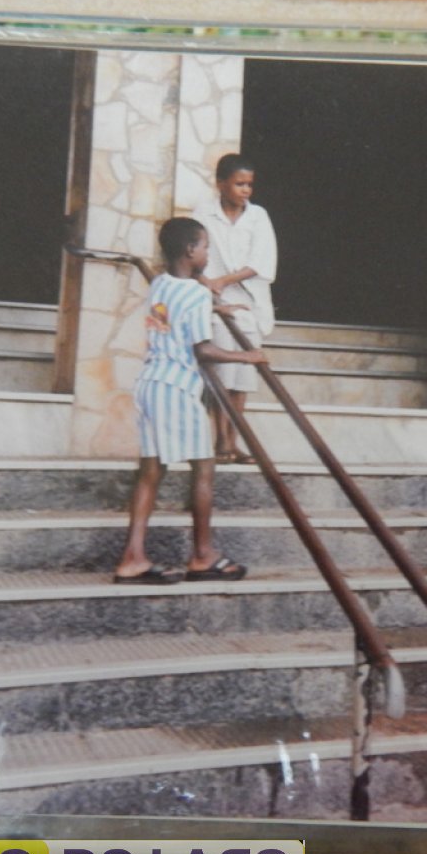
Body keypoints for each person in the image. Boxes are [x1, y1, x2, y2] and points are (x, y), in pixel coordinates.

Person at [113, 217, 268, 585]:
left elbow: (174, 313)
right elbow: (203, 350)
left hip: (150, 383)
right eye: (205, 247)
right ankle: (202, 555)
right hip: (177, 388)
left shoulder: (160, 283)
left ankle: (132, 557)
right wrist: (247, 357)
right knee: (203, 468)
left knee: (151, 472)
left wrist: (215, 310)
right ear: (189, 250)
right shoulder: (197, 294)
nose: (207, 254)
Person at [192, 153, 277, 464]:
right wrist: (207, 283)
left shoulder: (258, 216)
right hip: (215, 305)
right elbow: (192, 255)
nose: (246, 190)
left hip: (248, 304)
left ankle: (234, 441)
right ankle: (221, 441)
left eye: (249, 185)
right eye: (239, 184)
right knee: (222, 375)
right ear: (221, 184)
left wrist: (222, 281)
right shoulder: (204, 214)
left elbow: (261, 261)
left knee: (242, 377)